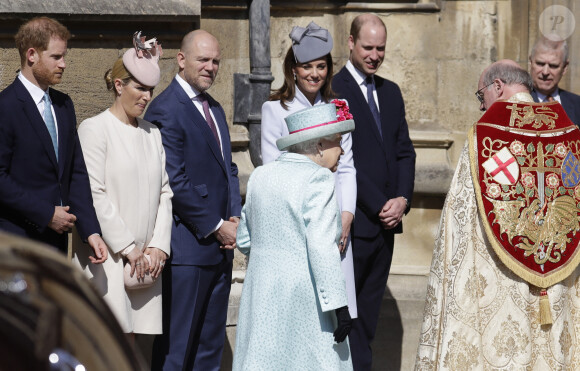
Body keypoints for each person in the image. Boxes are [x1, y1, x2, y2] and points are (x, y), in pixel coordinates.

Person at [416, 60, 580, 369]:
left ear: (498, 86)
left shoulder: (485, 139)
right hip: (557, 283)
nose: (481, 107)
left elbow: (460, 218)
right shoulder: (569, 135)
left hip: (502, 281)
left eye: (481, 96)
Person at [145, 30, 242, 370]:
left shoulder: (214, 107)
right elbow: (174, 180)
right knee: (177, 349)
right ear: (181, 60)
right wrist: (217, 226)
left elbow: (228, 168)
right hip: (188, 249)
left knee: (208, 349)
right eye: (203, 59)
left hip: (219, 249)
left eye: (216, 61)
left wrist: (235, 217)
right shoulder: (165, 109)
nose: (211, 67)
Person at [234, 102, 354, 370]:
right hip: (305, 297)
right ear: (320, 146)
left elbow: (244, 240)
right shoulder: (318, 179)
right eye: (338, 141)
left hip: (261, 293)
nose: (342, 149)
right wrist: (339, 305)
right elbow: (322, 248)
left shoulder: (260, 175)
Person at [71, 33, 173, 337]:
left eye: (150, 90)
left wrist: (158, 247)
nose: (146, 96)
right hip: (109, 261)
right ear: (119, 85)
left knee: (133, 353)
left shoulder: (152, 133)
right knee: (104, 346)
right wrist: (128, 247)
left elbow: (165, 193)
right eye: (139, 88)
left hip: (146, 263)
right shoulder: (94, 129)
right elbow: (94, 193)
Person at [331, 13, 416, 370]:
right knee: (347, 319)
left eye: (381, 48)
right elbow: (344, 162)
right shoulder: (334, 90)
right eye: (367, 47)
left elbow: (404, 152)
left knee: (368, 318)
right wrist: (380, 203)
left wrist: (402, 199)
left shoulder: (391, 91)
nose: (374, 55)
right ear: (350, 43)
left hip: (386, 227)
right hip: (355, 223)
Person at [261, 21, 358, 318]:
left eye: (321, 66)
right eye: (306, 67)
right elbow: (272, 167)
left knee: (336, 311)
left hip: (336, 220)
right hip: (297, 220)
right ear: (293, 68)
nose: (314, 74)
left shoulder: (338, 107)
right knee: (302, 311)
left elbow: (347, 168)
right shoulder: (275, 109)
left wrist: (346, 217)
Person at [0, 17, 107, 262]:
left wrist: (91, 230)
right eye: (56, 57)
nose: (64, 64)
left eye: (64, 56)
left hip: (58, 245)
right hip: (17, 242)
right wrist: (46, 213)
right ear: (31, 55)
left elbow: (75, 172)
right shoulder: (5, 107)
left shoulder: (63, 105)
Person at [529, 36, 580, 125]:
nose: (545, 72)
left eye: (553, 66)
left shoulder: (577, 104)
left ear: (565, 67)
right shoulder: (516, 103)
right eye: (540, 64)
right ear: (531, 62)